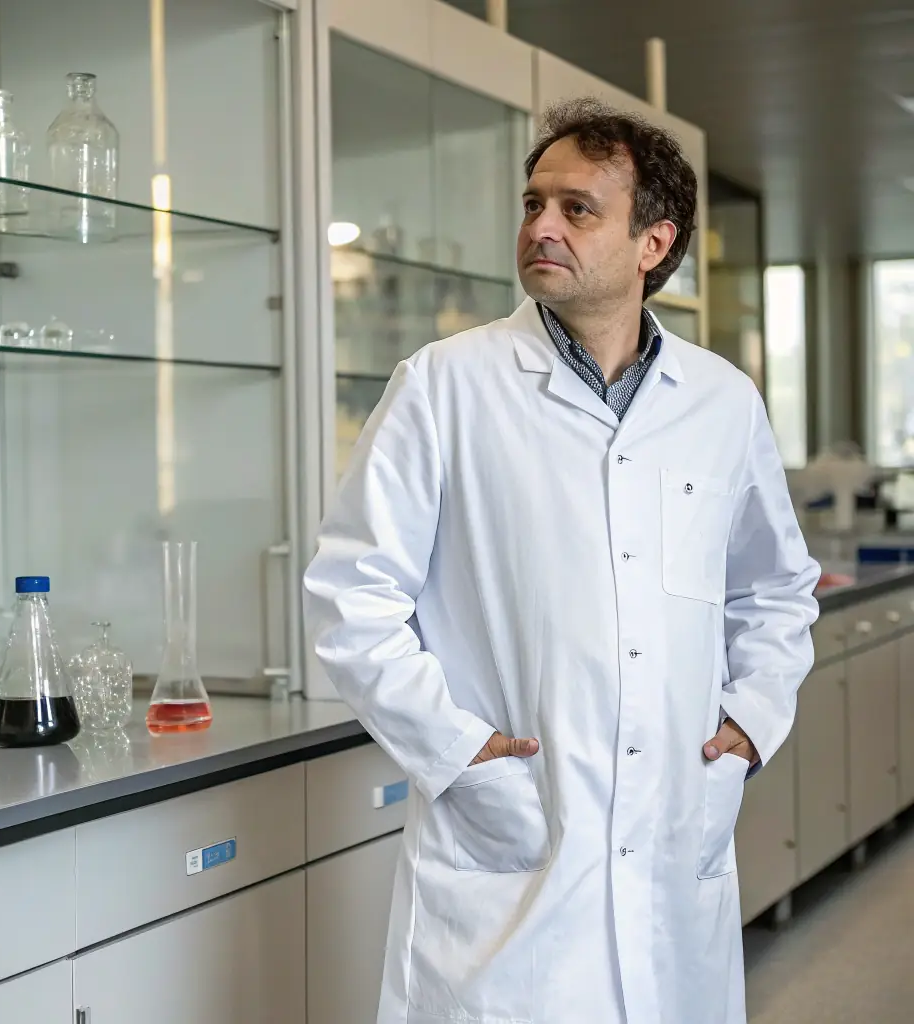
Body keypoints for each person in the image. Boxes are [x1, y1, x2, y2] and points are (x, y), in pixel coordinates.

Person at [303, 97, 820, 1024]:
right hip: (510, 845)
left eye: (578, 208)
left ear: (653, 242)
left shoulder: (720, 401)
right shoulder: (445, 385)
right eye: (534, 204)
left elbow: (775, 589)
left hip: (675, 835)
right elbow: (352, 597)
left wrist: (748, 724)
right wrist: (459, 753)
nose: (542, 226)